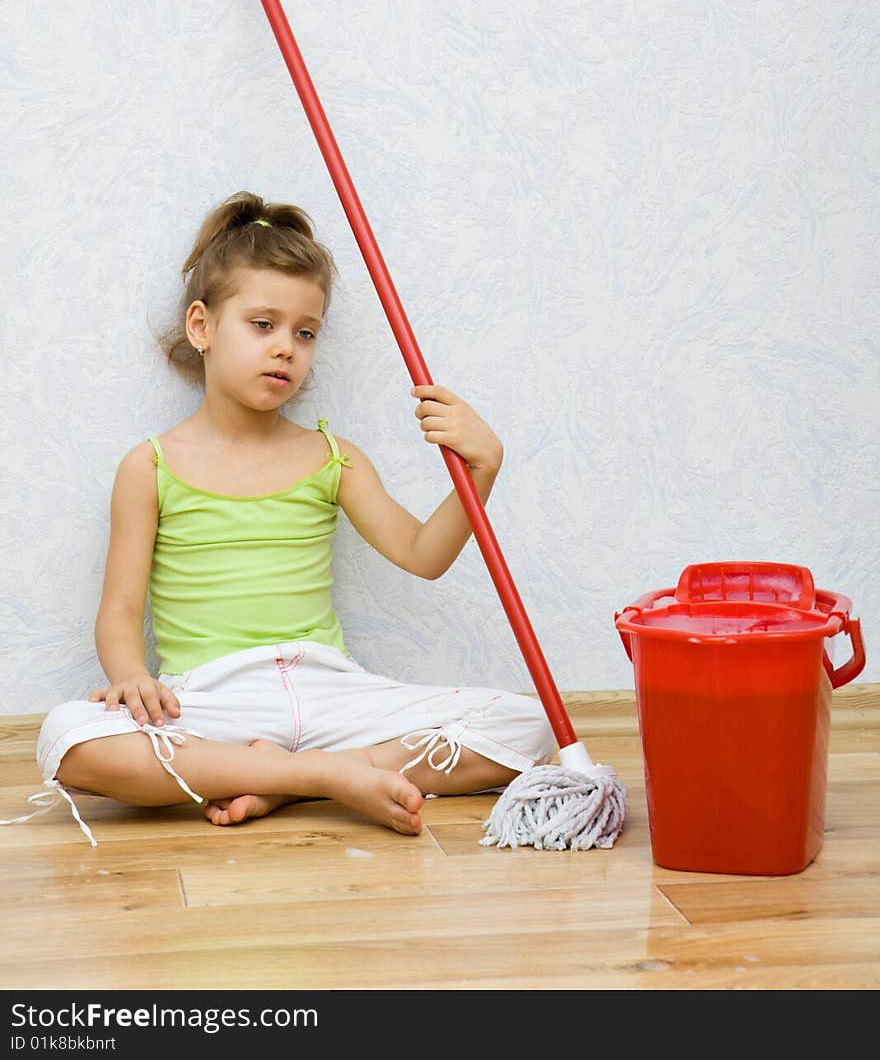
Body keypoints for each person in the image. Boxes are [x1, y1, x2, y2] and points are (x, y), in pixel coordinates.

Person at [4, 192, 555, 847]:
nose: (286, 349)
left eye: (305, 331)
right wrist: (131, 678)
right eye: (262, 324)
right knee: (69, 738)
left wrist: (481, 471)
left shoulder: (333, 457)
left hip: (330, 689)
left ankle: (288, 778)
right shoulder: (148, 467)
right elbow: (119, 615)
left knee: (532, 724)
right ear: (202, 327)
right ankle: (329, 776)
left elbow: (423, 554)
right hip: (214, 697)